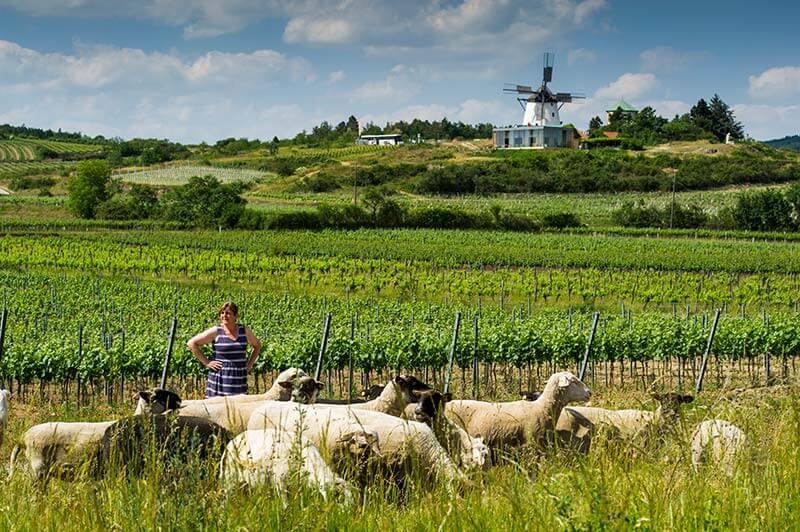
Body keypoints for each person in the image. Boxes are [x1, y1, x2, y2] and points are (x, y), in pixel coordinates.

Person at [187, 301, 262, 398]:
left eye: (228, 313)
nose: (224, 316)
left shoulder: (244, 330)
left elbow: (257, 345)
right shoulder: (216, 331)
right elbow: (191, 343)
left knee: (238, 409)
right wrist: (207, 362)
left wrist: (249, 365)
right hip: (220, 378)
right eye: (222, 313)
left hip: (239, 379)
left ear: (236, 316)